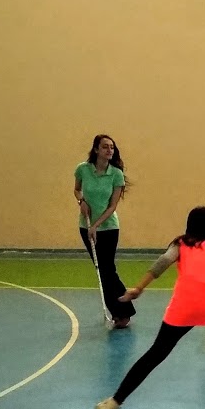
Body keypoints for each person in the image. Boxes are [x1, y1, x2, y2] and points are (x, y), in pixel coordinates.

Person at [95, 207, 205, 409]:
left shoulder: (181, 244)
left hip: (186, 307)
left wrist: (138, 288)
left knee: (156, 353)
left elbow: (161, 263)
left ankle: (114, 403)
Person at [73, 134, 135, 328]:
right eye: (106, 147)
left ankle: (123, 312)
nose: (110, 150)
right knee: (102, 271)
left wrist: (96, 226)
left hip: (108, 228)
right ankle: (119, 312)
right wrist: (81, 201)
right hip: (86, 227)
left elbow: (112, 206)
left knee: (108, 270)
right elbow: (76, 190)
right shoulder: (82, 169)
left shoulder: (116, 174)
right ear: (97, 150)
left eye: (112, 147)